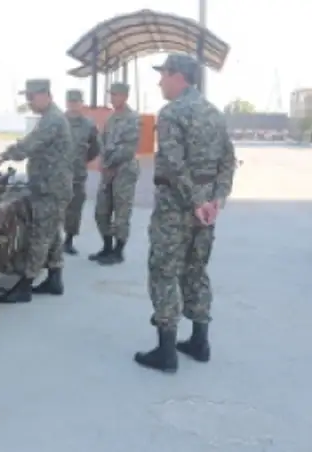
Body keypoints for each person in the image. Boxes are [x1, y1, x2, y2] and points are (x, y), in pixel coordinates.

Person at [134, 54, 236, 373]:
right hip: (206, 210)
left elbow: (174, 166)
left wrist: (195, 202)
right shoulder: (213, 112)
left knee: (164, 271)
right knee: (196, 269)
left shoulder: (172, 113)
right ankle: (199, 342)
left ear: (178, 76)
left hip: (176, 208)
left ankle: (166, 353)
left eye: (163, 74)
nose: (159, 82)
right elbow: (228, 160)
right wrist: (215, 199)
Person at [0, 79, 73, 303]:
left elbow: (28, 145)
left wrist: (2, 157)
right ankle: (55, 279)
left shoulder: (53, 119)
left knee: (40, 236)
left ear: (45, 95)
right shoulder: (49, 117)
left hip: (50, 188)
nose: (29, 102)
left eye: (31, 97)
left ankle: (25, 285)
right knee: (52, 233)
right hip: (50, 186)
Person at [89, 82, 141, 265]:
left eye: (116, 94)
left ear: (125, 96)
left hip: (124, 171)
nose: (112, 98)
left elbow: (129, 148)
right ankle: (107, 247)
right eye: (111, 94)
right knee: (101, 211)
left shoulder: (132, 118)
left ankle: (118, 252)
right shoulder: (111, 118)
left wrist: (110, 163)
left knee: (121, 213)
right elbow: (102, 142)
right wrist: (103, 161)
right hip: (108, 171)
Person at [63, 90, 100, 255]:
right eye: (71, 101)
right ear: (66, 103)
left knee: (75, 208)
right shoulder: (57, 122)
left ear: (81, 103)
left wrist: (81, 160)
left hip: (77, 175)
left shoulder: (88, 125)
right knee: (54, 210)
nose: (73, 105)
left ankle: (68, 240)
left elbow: (95, 148)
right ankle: (51, 243)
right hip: (57, 176)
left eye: (76, 102)